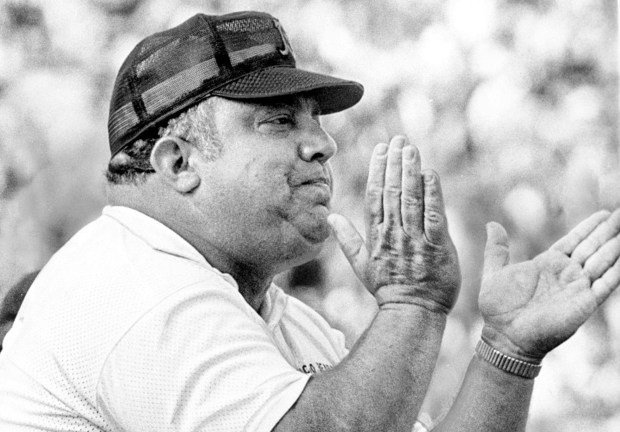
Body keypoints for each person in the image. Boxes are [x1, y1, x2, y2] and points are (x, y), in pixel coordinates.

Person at [0, 10, 619, 432]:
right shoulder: (134, 286)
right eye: (277, 121)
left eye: (315, 122)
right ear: (179, 161)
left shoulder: (274, 315)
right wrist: (412, 304)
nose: (321, 145)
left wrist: (507, 352)